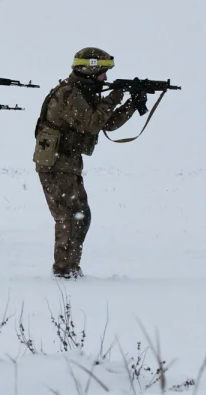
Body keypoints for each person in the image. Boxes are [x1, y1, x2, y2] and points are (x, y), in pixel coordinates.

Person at [33, 47, 142, 279]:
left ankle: (70, 267)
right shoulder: (68, 94)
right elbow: (93, 123)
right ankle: (63, 270)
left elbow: (107, 123)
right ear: (89, 71)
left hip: (68, 163)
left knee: (81, 214)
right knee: (68, 216)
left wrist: (132, 104)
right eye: (102, 73)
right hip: (56, 163)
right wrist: (115, 96)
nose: (106, 78)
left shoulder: (83, 93)